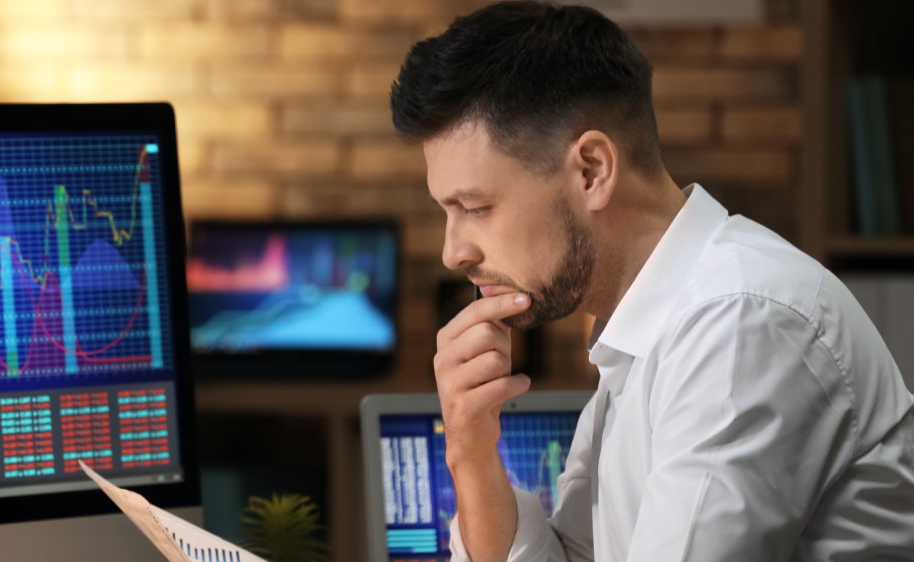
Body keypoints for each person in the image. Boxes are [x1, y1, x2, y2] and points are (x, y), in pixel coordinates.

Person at [388, 2, 914, 561]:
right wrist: (470, 455)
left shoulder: (739, 323)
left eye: (475, 206)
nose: (453, 253)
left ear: (592, 170)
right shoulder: (642, 332)